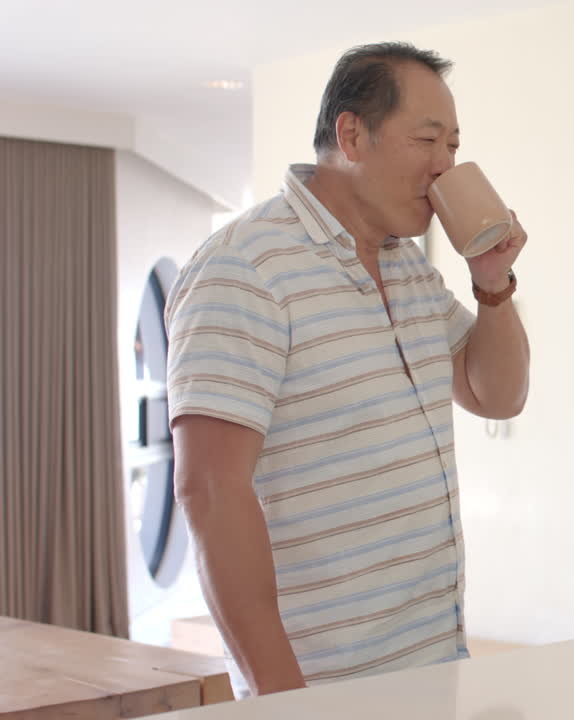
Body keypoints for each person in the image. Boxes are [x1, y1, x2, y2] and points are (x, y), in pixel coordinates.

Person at [166, 43, 530, 697]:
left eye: (454, 146)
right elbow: (210, 490)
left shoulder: (409, 266)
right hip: (321, 688)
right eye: (428, 141)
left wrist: (493, 283)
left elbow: (495, 395)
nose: (447, 165)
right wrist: (283, 699)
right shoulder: (243, 268)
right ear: (352, 134)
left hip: (433, 668)